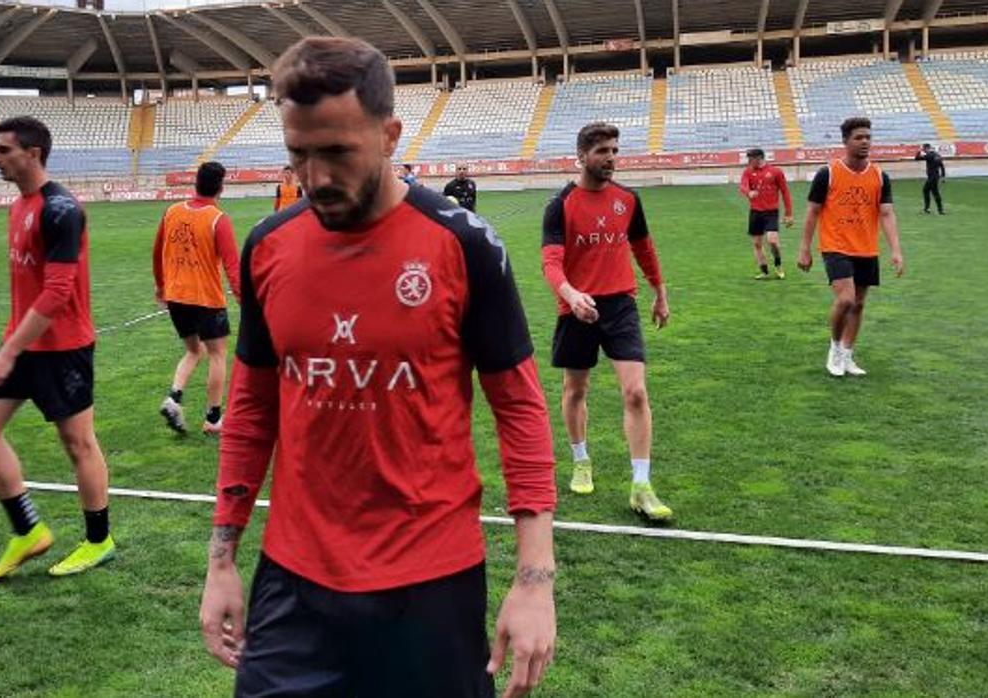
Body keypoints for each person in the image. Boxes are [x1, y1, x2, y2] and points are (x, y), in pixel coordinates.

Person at [199, 37, 557, 698]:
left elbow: (520, 408)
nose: (314, 176)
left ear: (390, 135)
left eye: (337, 152)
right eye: (298, 154)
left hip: (431, 586)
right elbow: (251, 409)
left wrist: (535, 579)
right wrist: (222, 560)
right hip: (294, 581)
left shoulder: (464, 245)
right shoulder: (269, 247)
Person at [0, 117, 114, 582]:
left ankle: (98, 540)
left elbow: (56, 292)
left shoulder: (61, 210)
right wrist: (11, 346)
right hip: (23, 344)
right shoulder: (18, 207)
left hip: (63, 347)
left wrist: (7, 352)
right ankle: (28, 531)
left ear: (33, 153)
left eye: (5, 150)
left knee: (78, 444)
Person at [541, 122, 673, 521]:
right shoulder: (560, 203)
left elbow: (643, 248)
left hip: (620, 306)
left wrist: (659, 292)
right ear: (581, 156)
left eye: (615, 150)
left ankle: (641, 485)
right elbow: (550, 262)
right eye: (602, 151)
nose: (612, 158)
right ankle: (581, 459)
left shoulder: (628, 200)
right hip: (576, 308)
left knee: (635, 392)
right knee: (575, 389)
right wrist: (571, 295)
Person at [798, 117, 905, 377]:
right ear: (845, 141)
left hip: (866, 247)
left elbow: (887, 214)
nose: (865, 141)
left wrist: (896, 250)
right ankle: (834, 348)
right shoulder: (829, 173)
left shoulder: (880, 176)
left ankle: (847, 355)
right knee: (845, 300)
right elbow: (813, 211)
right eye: (858, 137)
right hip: (836, 245)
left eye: (868, 137)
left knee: (858, 304)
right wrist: (805, 248)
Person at [155, 161, 241, 436]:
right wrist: (244, 302)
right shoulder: (218, 219)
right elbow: (233, 267)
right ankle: (213, 418)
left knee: (195, 350)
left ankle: (174, 398)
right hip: (206, 299)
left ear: (196, 183)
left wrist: (161, 287)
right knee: (217, 355)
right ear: (221, 188)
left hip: (177, 297)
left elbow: (157, 253)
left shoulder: (172, 211)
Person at [739, 148, 793, 280]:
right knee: (757, 244)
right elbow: (743, 185)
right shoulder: (748, 172)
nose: (749, 162)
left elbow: (785, 192)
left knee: (772, 241)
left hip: (771, 212)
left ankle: (778, 265)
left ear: (759, 158)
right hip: (755, 212)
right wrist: (748, 192)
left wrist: (788, 214)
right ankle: (764, 271)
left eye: (750, 159)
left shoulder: (775, 172)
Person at [915, 143, 946, 215]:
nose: (924, 151)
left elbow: (917, 158)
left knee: (933, 192)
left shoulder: (929, 155)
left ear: (926, 148)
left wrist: (919, 151)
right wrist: (943, 176)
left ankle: (936, 209)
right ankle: (935, 209)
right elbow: (942, 166)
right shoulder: (937, 155)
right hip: (936, 176)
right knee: (928, 191)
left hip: (932, 177)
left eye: (924, 149)